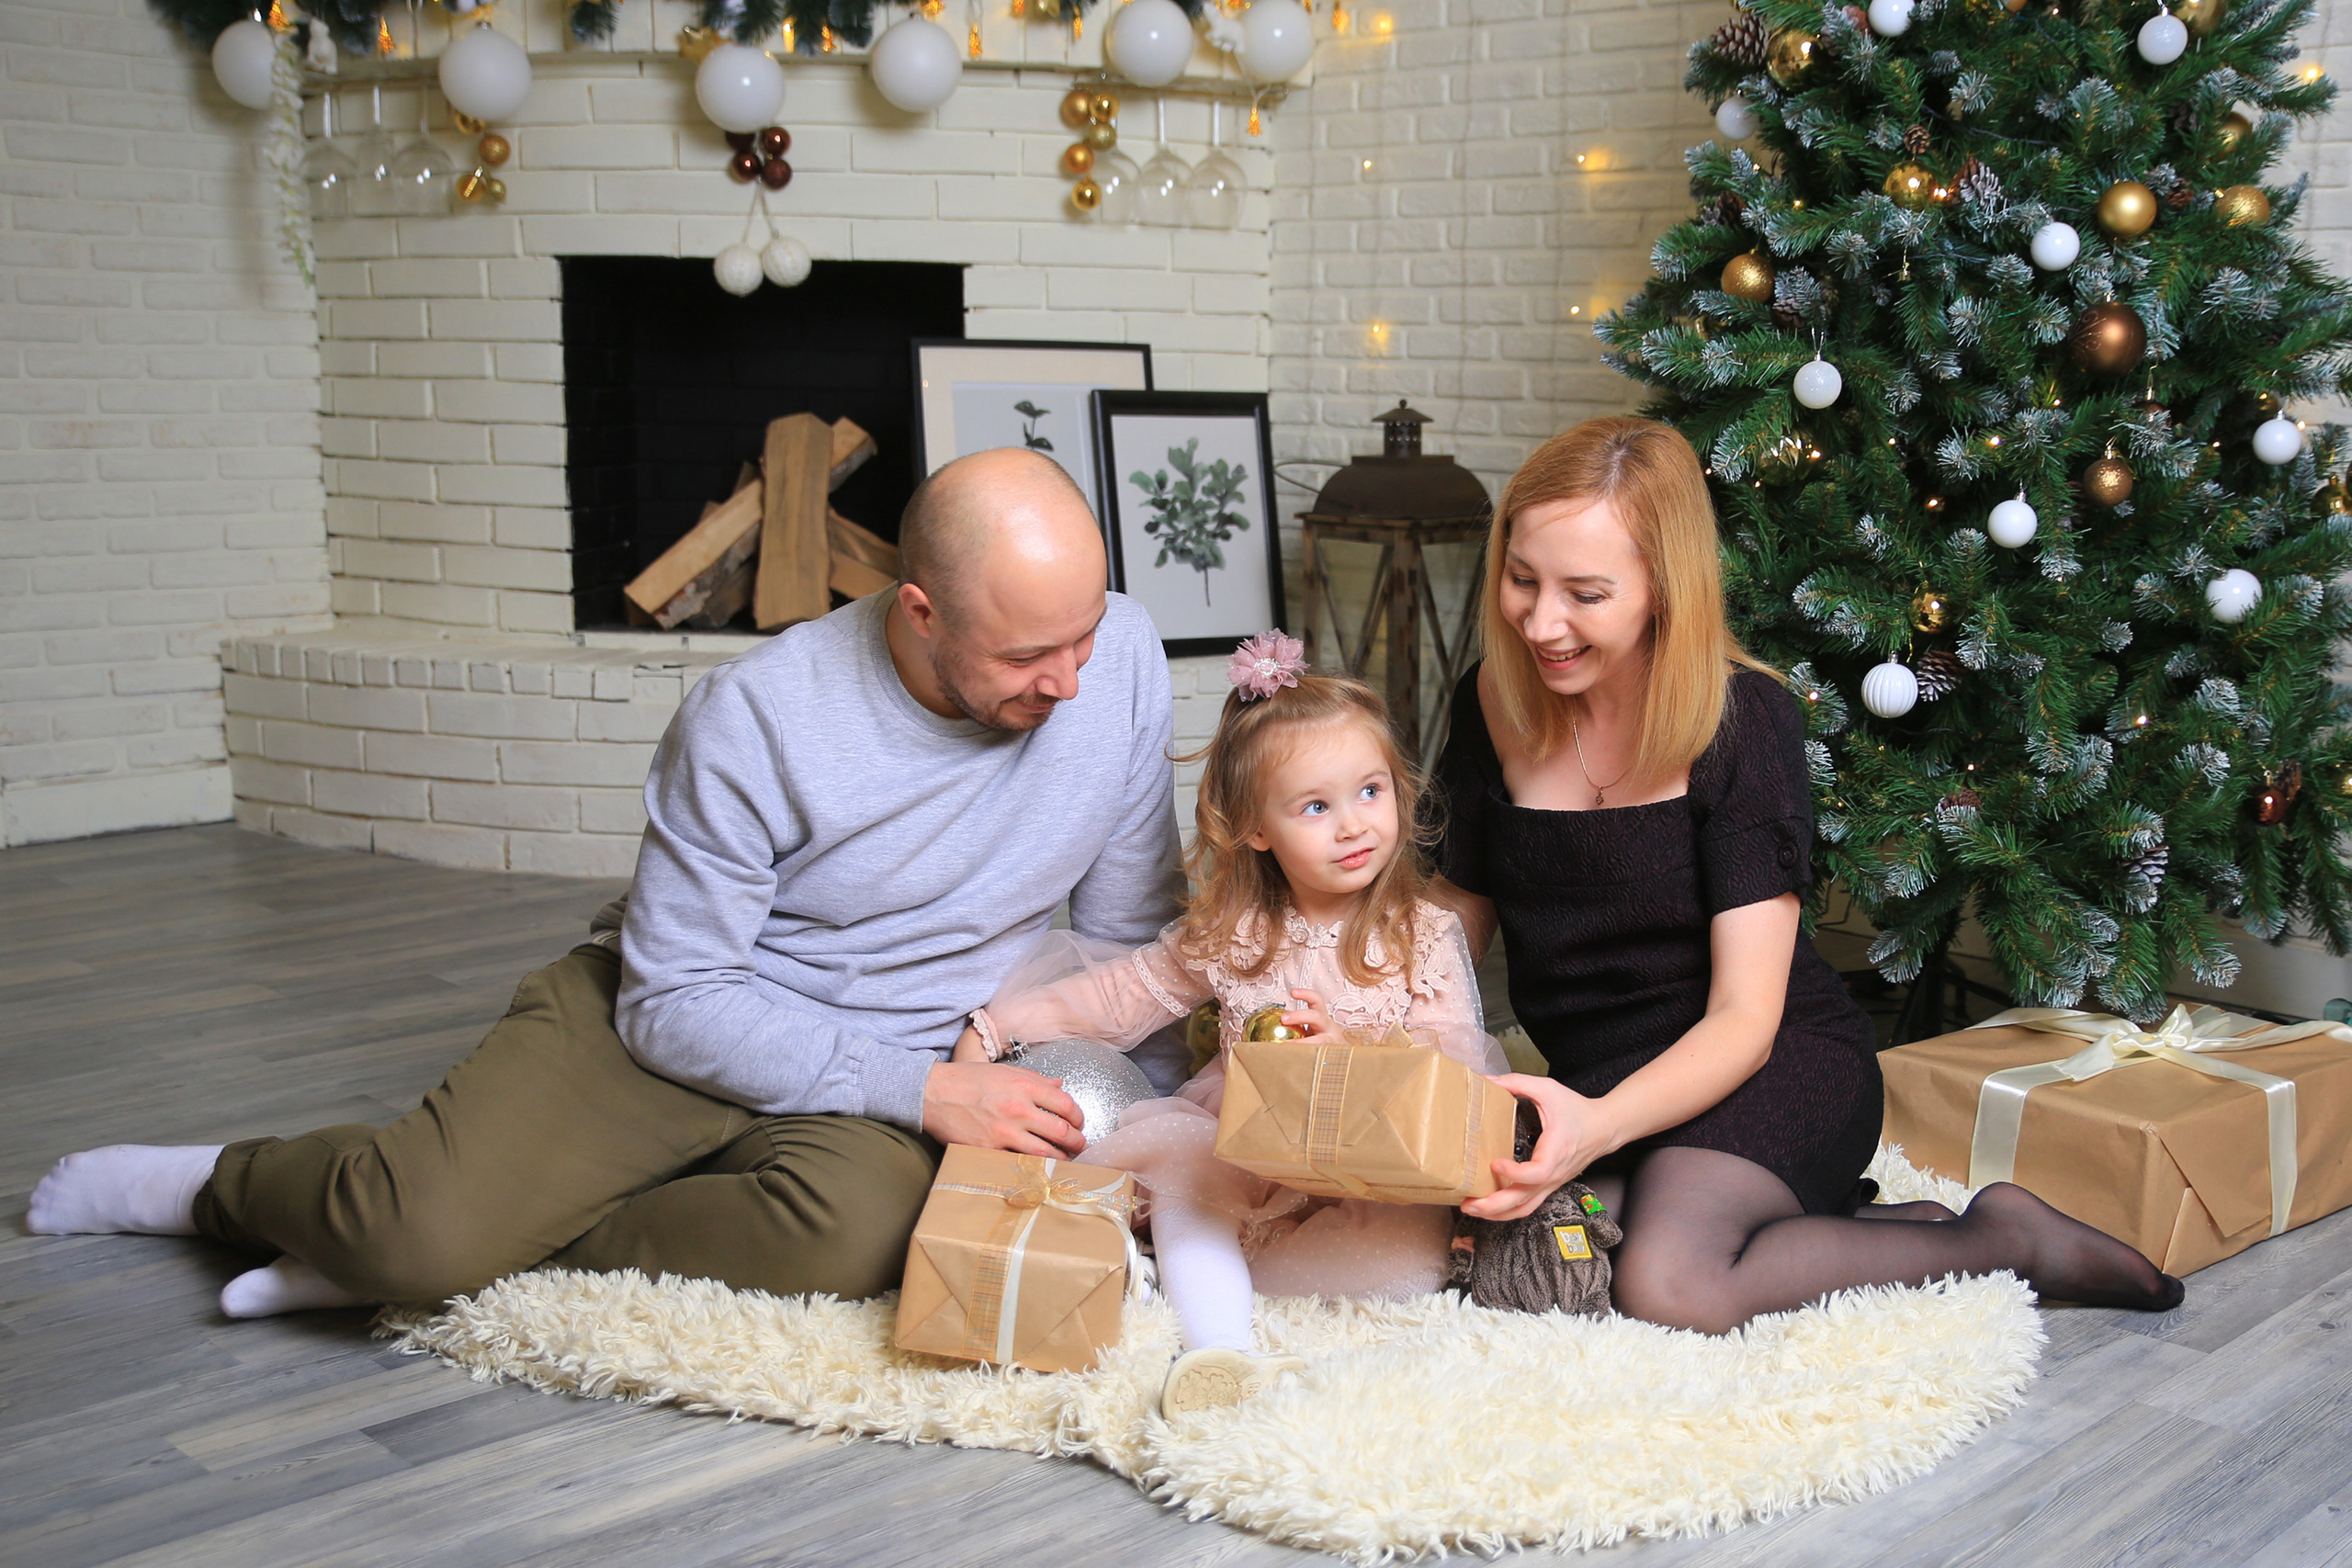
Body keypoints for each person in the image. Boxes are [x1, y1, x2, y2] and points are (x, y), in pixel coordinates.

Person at [28, 447, 1187, 1319]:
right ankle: (219, 1189)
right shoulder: (759, 717)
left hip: (914, 1051)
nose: (1072, 683)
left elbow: (1130, 935)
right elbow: (674, 998)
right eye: (1029, 657)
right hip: (688, 1016)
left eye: (1083, 634)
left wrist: (1159, 1142)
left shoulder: (1118, 663)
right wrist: (922, 1093)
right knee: (409, 1237)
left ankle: (490, 1231)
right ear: (919, 612)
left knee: (863, 1241)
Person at [1431, 416, 2186, 1333]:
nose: (1541, 622)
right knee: (1540, 1247)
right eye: (1521, 580)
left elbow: (1745, 1020)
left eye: (1584, 593)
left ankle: (2003, 1240)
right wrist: (1340, 1000)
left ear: (1665, 588)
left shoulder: (1744, 721)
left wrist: (1593, 1132)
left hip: (1771, 1063)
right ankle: (1854, 1227)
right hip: (1603, 1077)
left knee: (1671, 1286)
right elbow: (1443, 932)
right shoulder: (1491, 700)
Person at [964, 632, 1504, 1415]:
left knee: (1407, 1257)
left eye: (1370, 792)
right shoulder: (1240, 932)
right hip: (1247, 1149)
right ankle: (1220, 1347)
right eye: (1316, 807)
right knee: (1187, 1179)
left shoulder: (1422, 932)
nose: (1353, 825)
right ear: (1258, 827)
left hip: (1371, 1165)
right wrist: (995, 1027)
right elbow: (1122, 995)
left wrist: (1351, 1055)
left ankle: (1199, 1276)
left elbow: (1455, 1070)